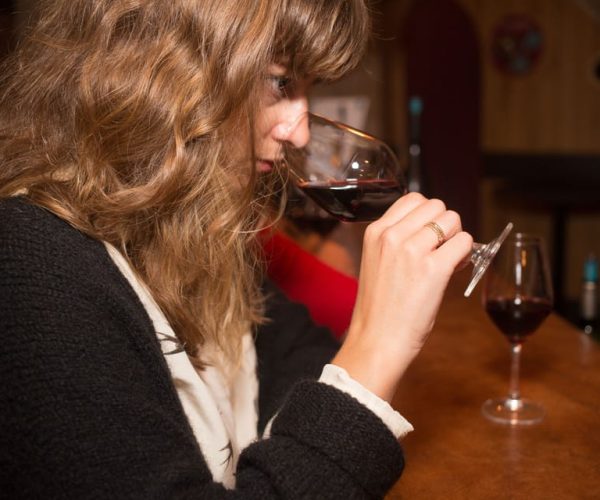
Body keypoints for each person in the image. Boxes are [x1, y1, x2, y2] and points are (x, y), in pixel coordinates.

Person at [0, 0, 472, 498]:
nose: (302, 132)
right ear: (160, 67)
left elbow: (298, 352)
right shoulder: (30, 264)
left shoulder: (187, 230)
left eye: (307, 91)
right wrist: (377, 350)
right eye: (280, 84)